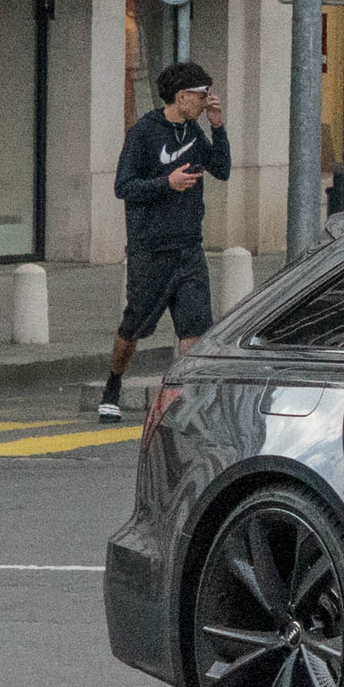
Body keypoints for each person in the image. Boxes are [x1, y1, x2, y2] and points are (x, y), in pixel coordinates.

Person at [101, 62, 233, 422]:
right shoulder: (144, 132)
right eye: (202, 96)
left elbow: (221, 169)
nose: (206, 101)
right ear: (181, 96)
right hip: (150, 249)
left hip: (189, 247)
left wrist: (217, 127)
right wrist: (167, 184)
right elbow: (123, 187)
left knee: (194, 328)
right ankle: (112, 386)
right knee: (134, 327)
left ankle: (183, 401)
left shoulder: (193, 130)